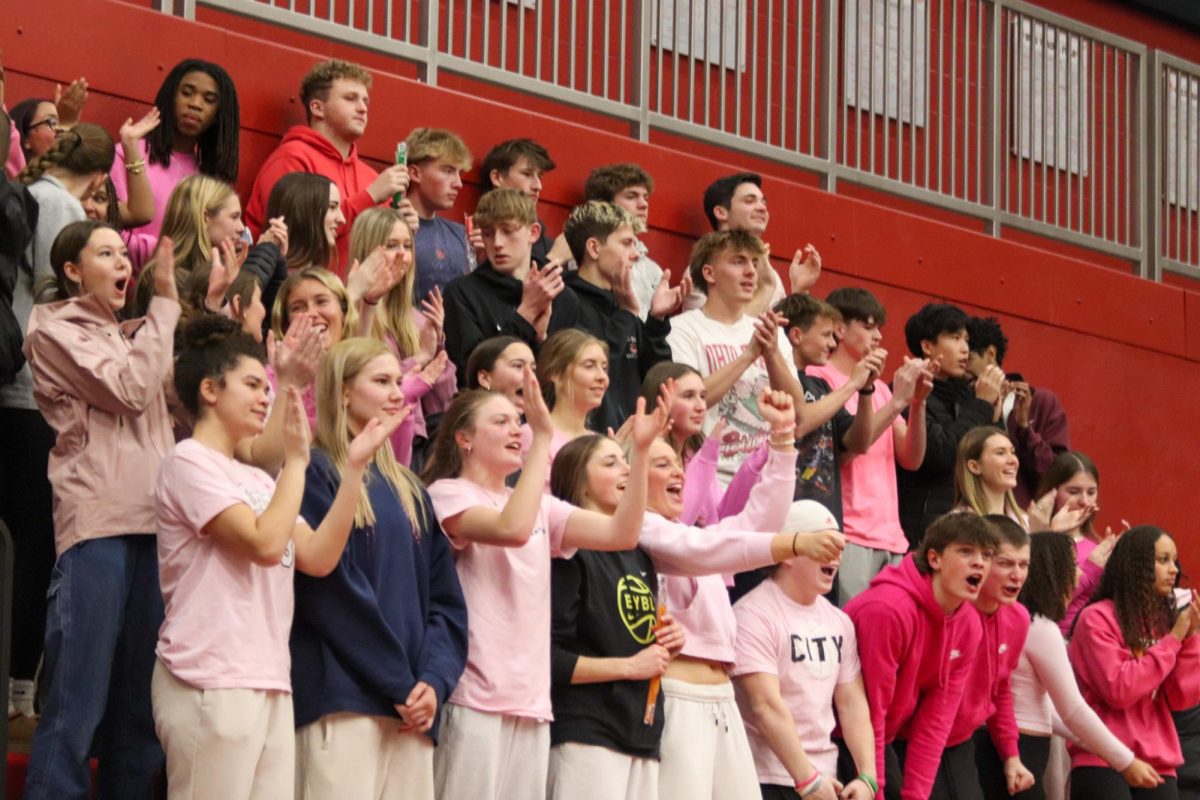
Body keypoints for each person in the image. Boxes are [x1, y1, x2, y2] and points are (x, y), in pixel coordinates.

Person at [154, 318, 404, 800]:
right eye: (252, 385)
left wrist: (353, 468)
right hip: (209, 675)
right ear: (209, 389)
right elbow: (266, 544)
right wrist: (295, 461)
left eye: (266, 386)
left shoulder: (258, 480)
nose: (265, 396)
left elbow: (318, 557)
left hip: (269, 677)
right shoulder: (187, 462)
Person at [420, 374, 658, 800]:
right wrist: (542, 438)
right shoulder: (448, 493)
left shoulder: (542, 507)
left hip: (532, 703)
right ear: (464, 439)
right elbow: (511, 527)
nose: (516, 430)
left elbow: (624, 533)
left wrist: (638, 455)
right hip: (474, 696)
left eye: (518, 421)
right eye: (501, 422)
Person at [22, 225, 178, 800]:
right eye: (105, 253)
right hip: (99, 529)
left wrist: (208, 308)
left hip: (158, 528)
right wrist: (164, 300)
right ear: (71, 270)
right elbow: (130, 390)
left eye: (123, 253)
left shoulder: (141, 333)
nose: (122, 263)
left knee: (140, 714)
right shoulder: (54, 329)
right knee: (75, 702)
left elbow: (187, 408)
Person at [291, 337, 467, 800]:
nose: (398, 393)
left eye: (398, 380)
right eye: (382, 381)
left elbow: (446, 603)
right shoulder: (315, 471)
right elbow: (329, 592)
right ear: (344, 392)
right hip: (342, 701)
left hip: (410, 711)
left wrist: (434, 681)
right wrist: (402, 683)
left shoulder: (411, 488)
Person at [3, 125, 113, 723]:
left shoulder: (33, 193)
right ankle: (21, 681)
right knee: (32, 543)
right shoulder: (59, 203)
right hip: (30, 393)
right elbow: (56, 291)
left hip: (23, 385)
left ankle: (21, 680)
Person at [545, 434, 686, 800]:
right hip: (587, 730)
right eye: (610, 463)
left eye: (625, 461)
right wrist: (628, 666)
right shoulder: (569, 551)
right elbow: (549, 658)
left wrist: (668, 639)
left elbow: (633, 634)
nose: (626, 469)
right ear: (578, 480)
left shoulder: (638, 553)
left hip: (641, 731)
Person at [844, 512, 1000, 800]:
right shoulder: (888, 610)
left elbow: (935, 722)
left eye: (987, 555)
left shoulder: (968, 622)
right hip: (839, 736)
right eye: (966, 551)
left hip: (882, 738)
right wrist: (872, 788)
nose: (979, 562)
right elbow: (870, 710)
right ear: (934, 559)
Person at [732, 500, 879, 800]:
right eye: (827, 544)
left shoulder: (839, 621)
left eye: (840, 545)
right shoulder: (752, 614)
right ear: (789, 552)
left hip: (826, 779)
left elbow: (852, 703)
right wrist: (805, 778)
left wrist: (867, 776)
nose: (838, 555)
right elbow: (765, 706)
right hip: (766, 777)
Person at [1008, 532, 1160, 800]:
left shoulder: (1026, 624)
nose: (1079, 577)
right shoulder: (1040, 628)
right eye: (1073, 567)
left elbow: (1049, 711)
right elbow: (1073, 709)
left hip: (1020, 748)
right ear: (1052, 573)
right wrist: (1125, 760)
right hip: (1022, 749)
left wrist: (1105, 745)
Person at [807, 287, 929, 606]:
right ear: (839, 328)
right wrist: (896, 401)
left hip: (890, 534)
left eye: (879, 328)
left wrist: (916, 404)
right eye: (868, 325)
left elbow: (911, 459)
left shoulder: (881, 391)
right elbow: (847, 451)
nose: (877, 336)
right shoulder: (819, 377)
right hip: (848, 531)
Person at [1068, 526, 1200, 800]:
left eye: (1174, 560)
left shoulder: (1165, 622)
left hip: (1159, 761)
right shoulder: (1096, 618)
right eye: (1162, 560)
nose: (1173, 569)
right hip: (1103, 758)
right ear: (1135, 565)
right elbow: (1119, 690)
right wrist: (1174, 640)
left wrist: (1190, 641)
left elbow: (1180, 697)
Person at [667, 229, 807, 484]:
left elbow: (798, 412)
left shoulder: (771, 333)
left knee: (819, 518)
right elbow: (685, 402)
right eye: (738, 261)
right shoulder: (681, 330)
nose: (751, 271)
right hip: (708, 478)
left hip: (766, 479)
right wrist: (749, 355)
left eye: (754, 262)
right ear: (709, 273)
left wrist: (772, 353)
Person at [245, 59, 409, 269]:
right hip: (298, 295)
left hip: (357, 299)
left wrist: (405, 229)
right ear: (317, 108)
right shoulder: (290, 159)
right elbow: (293, 238)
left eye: (365, 101)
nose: (362, 108)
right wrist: (369, 197)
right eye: (350, 99)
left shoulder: (372, 177)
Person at [561, 200, 677, 431]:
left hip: (630, 446)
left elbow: (658, 384)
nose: (635, 255)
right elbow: (590, 376)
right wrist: (626, 315)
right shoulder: (565, 301)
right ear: (593, 248)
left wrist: (655, 322)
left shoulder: (623, 306)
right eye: (626, 244)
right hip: (586, 446)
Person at [941, 516, 1035, 800]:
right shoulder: (952, 612)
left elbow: (1001, 688)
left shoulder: (1018, 617)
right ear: (982, 563)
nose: (1016, 575)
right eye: (1006, 563)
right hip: (917, 739)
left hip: (962, 741)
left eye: (1024, 565)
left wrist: (1011, 755)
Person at [896, 303, 1004, 547]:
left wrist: (995, 414)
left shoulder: (967, 396)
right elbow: (939, 454)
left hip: (967, 525)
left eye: (966, 340)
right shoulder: (907, 390)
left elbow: (992, 460)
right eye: (955, 338)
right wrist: (981, 406)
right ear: (927, 346)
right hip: (922, 532)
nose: (965, 348)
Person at [442, 188, 579, 378]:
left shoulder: (562, 297)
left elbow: (567, 381)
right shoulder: (462, 293)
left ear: (533, 232)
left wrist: (539, 342)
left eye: (507, 231)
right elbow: (475, 379)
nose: (497, 243)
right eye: (488, 233)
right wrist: (526, 314)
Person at [353, 206, 452, 465]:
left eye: (407, 246)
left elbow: (442, 403)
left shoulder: (417, 318)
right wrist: (418, 359)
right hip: (366, 442)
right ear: (368, 250)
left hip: (413, 447)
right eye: (391, 245)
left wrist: (437, 348)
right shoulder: (350, 309)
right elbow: (361, 378)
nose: (402, 255)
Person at [776, 293, 883, 522]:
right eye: (826, 335)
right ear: (796, 335)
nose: (833, 344)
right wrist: (852, 384)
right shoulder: (773, 379)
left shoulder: (821, 386)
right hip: (785, 512)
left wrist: (865, 390)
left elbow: (859, 443)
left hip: (825, 513)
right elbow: (800, 423)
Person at [112, 59, 240, 238]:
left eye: (209, 100)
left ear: (219, 115)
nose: (195, 104)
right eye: (187, 93)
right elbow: (108, 224)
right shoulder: (125, 153)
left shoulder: (214, 178)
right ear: (170, 97)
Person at [965, 316, 1070, 506]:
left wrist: (1025, 430)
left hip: (1025, 521)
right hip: (974, 514)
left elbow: (1058, 475)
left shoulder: (1041, 402)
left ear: (990, 353)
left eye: (968, 359)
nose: (963, 370)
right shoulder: (962, 403)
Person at [683, 172, 822, 315]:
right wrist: (767, 287)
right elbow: (717, 330)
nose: (762, 208)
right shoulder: (703, 270)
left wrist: (799, 290)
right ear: (720, 212)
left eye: (763, 202)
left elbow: (788, 333)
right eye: (749, 201)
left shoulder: (770, 273)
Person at [1034, 451, 1113, 636]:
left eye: (1091, 492)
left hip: (1090, 640)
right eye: (1073, 491)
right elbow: (1048, 604)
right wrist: (1089, 570)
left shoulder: (1098, 545)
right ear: (1053, 492)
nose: (1084, 501)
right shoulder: (1037, 539)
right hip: (1055, 639)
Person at [405, 127, 474, 300]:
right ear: (415, 173)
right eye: (448, 171)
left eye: (459, 173)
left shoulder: (462, 234)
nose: (458, 183)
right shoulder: (385, 227)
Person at [480, 138, 556, 262]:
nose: (538, 186)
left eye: (540, 177)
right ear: (497, 177)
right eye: (527, 174)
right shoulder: (465, 235)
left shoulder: (549, 246)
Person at [954, 426, 1027, 524]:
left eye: (1013, 452)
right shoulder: (958, 525)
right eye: (1000, 453)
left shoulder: (1026, 522)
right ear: (974, 466)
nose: (1013, 461)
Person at [465, 335, 536, 412]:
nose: (531, 376)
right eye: (518, 366)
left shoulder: (533, 421)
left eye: (533, 369)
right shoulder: (465, 421)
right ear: (484, 378)